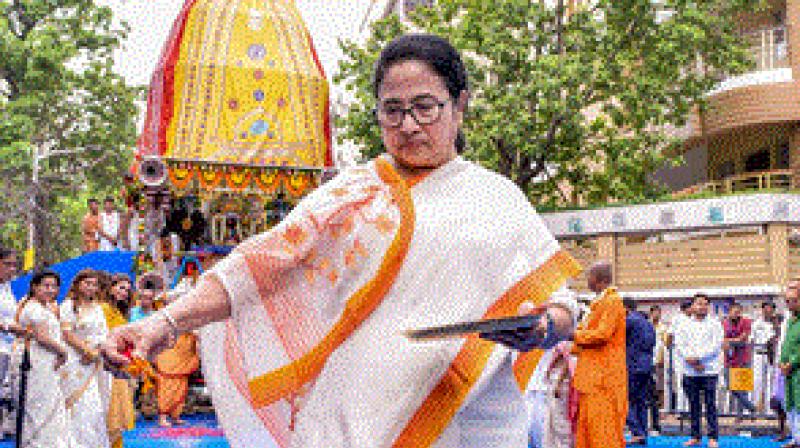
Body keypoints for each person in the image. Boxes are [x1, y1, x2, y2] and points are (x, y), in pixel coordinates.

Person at [101, 33, 583, 448]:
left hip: (473, 425)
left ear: (459, 104)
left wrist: (543, 327)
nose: (409, 125)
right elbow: (258, 268)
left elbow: (564, 308)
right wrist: (161, 324)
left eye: (424, 107)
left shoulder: (497, 198)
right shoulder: (352, 193)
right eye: (392, 111)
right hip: (352, 422)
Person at [15, 269, 75, 448]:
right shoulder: (33, 308)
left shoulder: (45, 307)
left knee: (50, 404)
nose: (50, 290)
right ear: (34, 287)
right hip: (37, 361)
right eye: (46, 286)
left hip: (46, 361)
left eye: (54, 286)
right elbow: (42, 337)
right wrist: (63, 352)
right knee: (39, 406)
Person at [572, 262, 627, 448]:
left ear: (601, 280)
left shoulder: (612, 301)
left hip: (604, 377)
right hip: (591, 376)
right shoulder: (597, 303)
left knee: (602, 430)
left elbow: (603, 334)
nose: (587, 280)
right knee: (588, 428)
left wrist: (575, 336)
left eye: (590, 276)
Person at [60, 269, 111, 448]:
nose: (91, 287)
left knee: (95, 407)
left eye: (94, 284)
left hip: (96, 362)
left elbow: (104, 333)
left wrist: (97, 351)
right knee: (79, 404)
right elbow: (66, 334)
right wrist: (86, 351)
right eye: (87, 283)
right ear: (77, 284)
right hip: (75, 361)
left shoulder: (98, 307)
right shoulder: (68, 305)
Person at [525, 290, 580, 448]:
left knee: (559, 433)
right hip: (534, 385)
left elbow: (566, 363)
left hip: (551, 388)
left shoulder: (566, 328)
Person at [678, 294, 723, 448]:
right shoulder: (684, 324)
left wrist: (698, 359)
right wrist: (690, 359)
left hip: (709, 370)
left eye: (705, 304)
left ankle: (713, 437)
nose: (701, 307)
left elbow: (716, 346)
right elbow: (680, 345)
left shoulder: (715, 324)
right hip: (689, 370)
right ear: (692, 306)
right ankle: (695, 436)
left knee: (710, 404)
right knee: (693, 405)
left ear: (708, 307)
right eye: (699, 304)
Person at [100, 274, 135, 448]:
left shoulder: (119, 311)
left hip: (119, 365)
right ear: (111, 288)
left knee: (117, 414)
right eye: (121, 288)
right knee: (109, 413)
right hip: (105, 365)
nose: (125, 293)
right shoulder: (104, 309)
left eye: (128, 290)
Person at [624, 298, 656, 445]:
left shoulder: (629, 321)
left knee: (626, 400)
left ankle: (636, 431)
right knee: (641, 401)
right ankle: (642, 432)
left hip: (632, 365)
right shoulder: (648, 324)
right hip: (647, 365)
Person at [723, 301, 756, 419]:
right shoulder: (724, 323)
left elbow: (743, 339)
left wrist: (729, 341)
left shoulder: (746, 322)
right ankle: (751, 407)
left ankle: (741, 415)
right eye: (734, 312)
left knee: (743, 387)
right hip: (729, 359)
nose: (736, 314)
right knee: (731, 386)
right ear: (729, 312)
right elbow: (721, 339)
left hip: (743, 358)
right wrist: (731, 341)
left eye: (738, 312)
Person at [781, 279, 800, 448]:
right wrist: (782, 363)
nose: (788, 305)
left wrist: (792, 363)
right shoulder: (790, 321)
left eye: (792, 301)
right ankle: (796, 438)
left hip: (798, 370)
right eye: (787, 301)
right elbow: (786, 344)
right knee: (791, 405)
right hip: (788, 372)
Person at [667, 300, 693, 414]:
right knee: (681, 381)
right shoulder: (677, 319)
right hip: (679, 354)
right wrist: (669, 349)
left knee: (690, 382)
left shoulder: (693, 319)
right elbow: (669, 335)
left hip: (691, 353)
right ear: (685, 308)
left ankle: (689, 409)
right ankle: (681, 410)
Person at [752, 301, 777, 413]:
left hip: (771, 355)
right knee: (757, 382)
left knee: (770, 382)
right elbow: (751, 339)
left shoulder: (776, 324)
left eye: (771, 309)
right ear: (762, 310)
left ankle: (769, 410)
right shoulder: (756, 323)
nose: (768, 311)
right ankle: (754, 409)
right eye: (766, 309)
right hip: (758, 354)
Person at [649, 305, 667, 434]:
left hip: (659, 363)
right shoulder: (646, 326)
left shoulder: (663, 328)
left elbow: (666, 344)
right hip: (646, 363)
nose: (657, 315)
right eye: (655, 312)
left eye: (659, 313)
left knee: (659, 389)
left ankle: (659, 413)